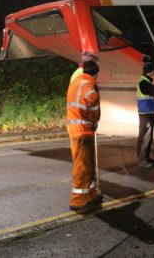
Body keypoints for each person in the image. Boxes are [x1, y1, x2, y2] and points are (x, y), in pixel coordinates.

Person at [66, 60, 103, 212]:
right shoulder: (87, 85)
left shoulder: (75, 83)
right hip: (83, 129)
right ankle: (78, 200)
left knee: (87, 165)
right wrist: (95, 118)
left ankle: (90, 194)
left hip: (76, 128)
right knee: (82, 166)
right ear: (95, 73)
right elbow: (92, 100)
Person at [136, 61, 154, 167]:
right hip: (146, 112)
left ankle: (146, 157)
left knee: (147, 136)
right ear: (150, 71)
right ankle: (143, 159)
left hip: (148, 112)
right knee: (145, 136)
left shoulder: (146, 81)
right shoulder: (144, 82)